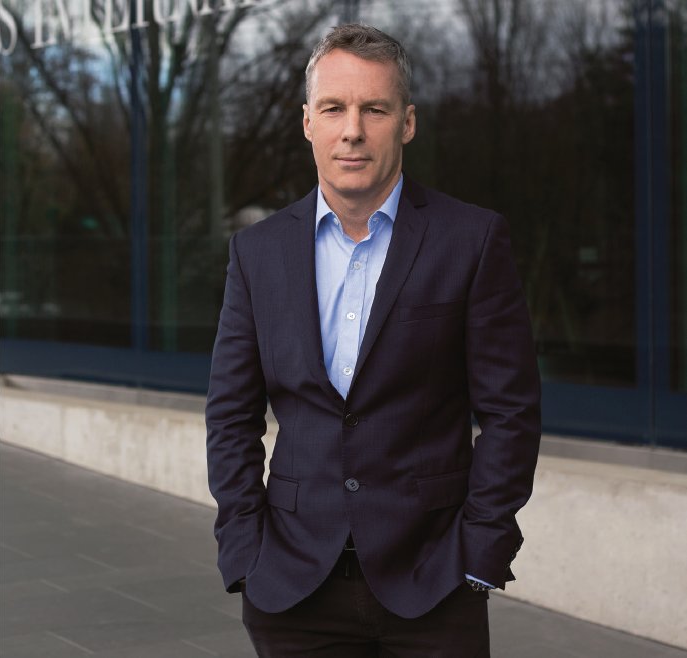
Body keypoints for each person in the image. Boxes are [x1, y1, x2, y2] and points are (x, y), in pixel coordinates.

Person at [206, 23, 541, 658]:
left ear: (407, 123)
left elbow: (511, 413)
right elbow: (230, 414)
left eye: (375, 109)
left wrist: (482, 551)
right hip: (292, 589)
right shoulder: (256, 252)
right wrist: (243, 550)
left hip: (434, 582)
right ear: (308, 122)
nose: (352, 130)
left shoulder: (471, 241)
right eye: (334, 108)